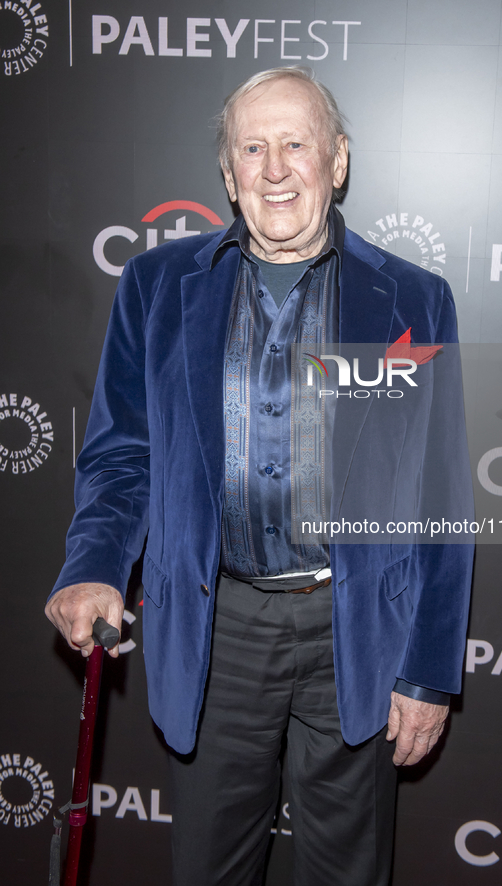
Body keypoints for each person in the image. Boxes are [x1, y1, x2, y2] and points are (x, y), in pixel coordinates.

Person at [46, 67, 473, 886]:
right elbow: (121, 454)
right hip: (216, 629)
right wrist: (96, 565)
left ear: (337, 161)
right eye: (252, 147)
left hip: (356, 633)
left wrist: (425, 670)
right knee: (208, 868)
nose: (274, 168)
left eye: (295, 144)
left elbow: (439, 499)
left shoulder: (410, 299)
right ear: (228, 173)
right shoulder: (157, 288)